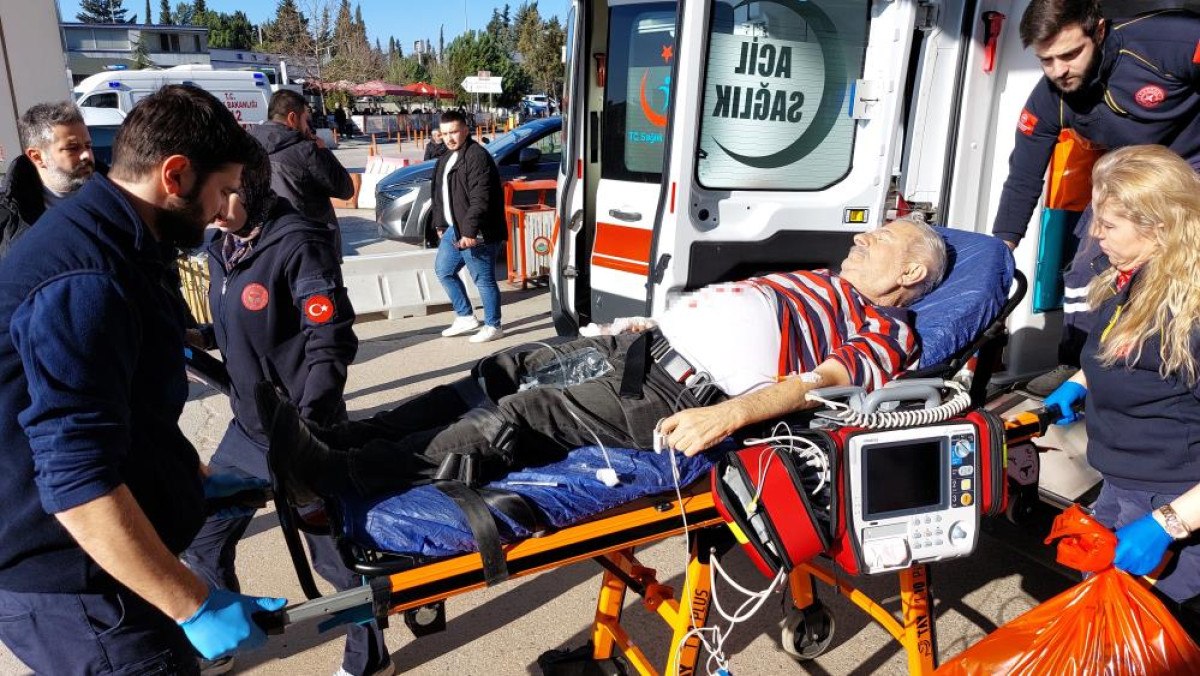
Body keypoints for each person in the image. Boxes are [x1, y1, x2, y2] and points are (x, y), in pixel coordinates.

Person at [265, 218, 945, 502]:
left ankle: (337, 477)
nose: (863, 236)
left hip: (678, 393)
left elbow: (817, 385)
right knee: (497, 372)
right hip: (637, 347)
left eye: (882, 239)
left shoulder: (888, 329)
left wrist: (729, 416)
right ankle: (349, 434)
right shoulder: (823, 280)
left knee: (520, 415)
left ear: (911, 271)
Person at [0, 85, 285, 674]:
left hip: (107, 559)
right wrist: (193, 604)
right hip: (77, 587)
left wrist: (190, 479)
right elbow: (76, 478)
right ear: (175, 175)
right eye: (223, 190)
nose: (224, 211)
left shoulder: (127, 240)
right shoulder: (87, 278)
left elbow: (129, 402)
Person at [179, 141, 393, 676]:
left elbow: (331, 340)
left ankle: (369, 659)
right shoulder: (223, 247)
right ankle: (221, 644)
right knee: (203, 538)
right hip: (248, 430)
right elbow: (242, 324)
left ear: (251, 186)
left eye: (223, 194)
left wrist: (307, 424)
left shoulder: (298, 242)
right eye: (207, 196)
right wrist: (200, 336)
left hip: (302, 430)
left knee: (334, 559)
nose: (212, 208)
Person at [990, 0, 1200, 394]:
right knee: (1087, 264)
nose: (1059, 70)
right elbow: (1023, 177)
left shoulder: (1170, 41)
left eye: (1070, 54)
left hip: (1194, 163)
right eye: (1046, 60)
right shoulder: (1051, 98)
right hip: (1134, 174)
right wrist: (1001, 249)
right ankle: (1078, 365)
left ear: (1099, 32)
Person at [1041, 145, 1200, 623]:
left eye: (1108, 225)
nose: (1095, 234)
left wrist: (1168, 524)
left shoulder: (1190, 315)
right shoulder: (1132, 281)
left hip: (1174, 499)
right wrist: (1081, 381)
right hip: (1121, 484)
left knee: (1151, 636)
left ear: (1158, 227)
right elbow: (1128, 352)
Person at [431, 110, 508, 343]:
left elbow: (480, 199)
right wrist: (440, 223)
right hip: (455, 227)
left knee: (483, 279)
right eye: (445, 133)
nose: (449, 138)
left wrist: (469, 232)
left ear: (465, 130)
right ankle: (465, 317)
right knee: (444, 270)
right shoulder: (446, 157)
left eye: (454, 132)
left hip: (478, 229)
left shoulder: (477, 156)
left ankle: (493, 325)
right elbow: (439, 194)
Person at [249, 89, 354, 255]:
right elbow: (345, 189)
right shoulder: (306, 150)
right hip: (311, 245)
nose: (308, 126)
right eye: (306, 119)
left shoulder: (248, 148)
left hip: (267, 246)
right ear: (292, 118)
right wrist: (324, 151)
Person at [0, 101, 98, 256]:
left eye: (88, 145)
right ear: (37, 157)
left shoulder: (117, 195)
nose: (86, 155)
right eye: (73, 148)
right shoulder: (8, 216)